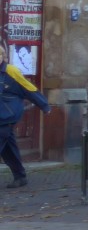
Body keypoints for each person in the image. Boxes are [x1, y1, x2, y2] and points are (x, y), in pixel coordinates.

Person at [1, 38, 51, 189]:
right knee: (9, 148)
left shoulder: (11, 71)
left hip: (7, 114)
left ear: (2, 56)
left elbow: (28, 88)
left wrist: (44, 105)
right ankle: (20, 176)